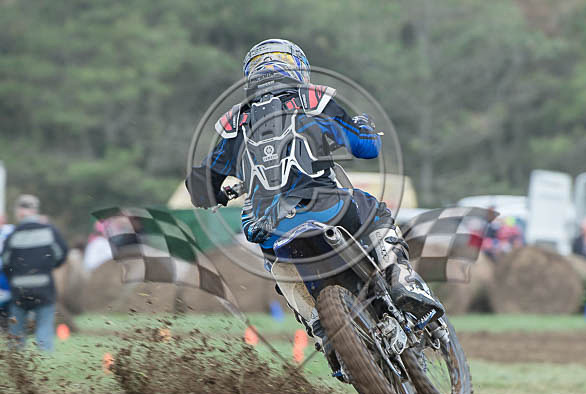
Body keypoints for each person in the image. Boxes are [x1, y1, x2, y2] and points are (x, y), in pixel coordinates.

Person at [186, 39, 443, 348]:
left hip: (270, 228)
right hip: (327, 206)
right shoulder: (312, 101)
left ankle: (320, 330)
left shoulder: (235, 123)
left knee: (277, 265)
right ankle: (402, 280)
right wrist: (364, 125)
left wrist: (217, 194)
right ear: (297, 68)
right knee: (376, 211)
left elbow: (200, 186)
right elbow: (366, 147)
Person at [1, 195, 67, 351]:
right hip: (44, 288)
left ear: (19, 212)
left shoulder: (13, 235)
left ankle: (14, 360)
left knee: (16, 332)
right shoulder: (49, 231)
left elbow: (5, 262)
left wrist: (14, 278)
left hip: (19, 290)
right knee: (44, 328)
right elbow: (61, 254)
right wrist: (49, 267)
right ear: (35, 210)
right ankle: (45, 359)